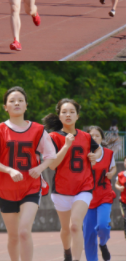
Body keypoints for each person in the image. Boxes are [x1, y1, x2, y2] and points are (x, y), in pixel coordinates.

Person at [0, 87, 55, 261]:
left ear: (26, 105)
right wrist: (9, 170)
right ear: (5, 107)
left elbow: (50, 156)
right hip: (6, 189)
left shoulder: (38, 130)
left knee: (24, 231)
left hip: (31, 187)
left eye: (20, 100)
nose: (16, 103)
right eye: (12, 101)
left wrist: (40, 168)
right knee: (14, 236)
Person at [43, 98, 102, 261]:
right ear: (59, 116)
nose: (68, 115)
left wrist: (95, 156)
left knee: (75, 225)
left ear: (77, 116)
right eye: (64, 112)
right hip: (61, 190)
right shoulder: (53, 137)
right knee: (66, 229)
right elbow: (52, 165)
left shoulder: (86, 137)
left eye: (71, 112)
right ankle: (67, 252)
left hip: (84, 187)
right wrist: (66, 145)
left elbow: (98, 150)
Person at [83, 126, 117, 261]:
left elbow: (113, 167)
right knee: (89, 234)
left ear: (102, 138)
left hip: (104, 195)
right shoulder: (83, 153)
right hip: (87, 197)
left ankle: (103, 243)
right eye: (91, 136)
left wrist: (111, 173)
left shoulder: (108, 153)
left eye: (97, 135)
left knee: (103, 225)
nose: (94, 138)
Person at [115, 157, 126, 238]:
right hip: (124, 201)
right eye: (125, 161)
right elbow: (116, 184)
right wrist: (119, 187)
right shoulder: (121, 175)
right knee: (125, 219)